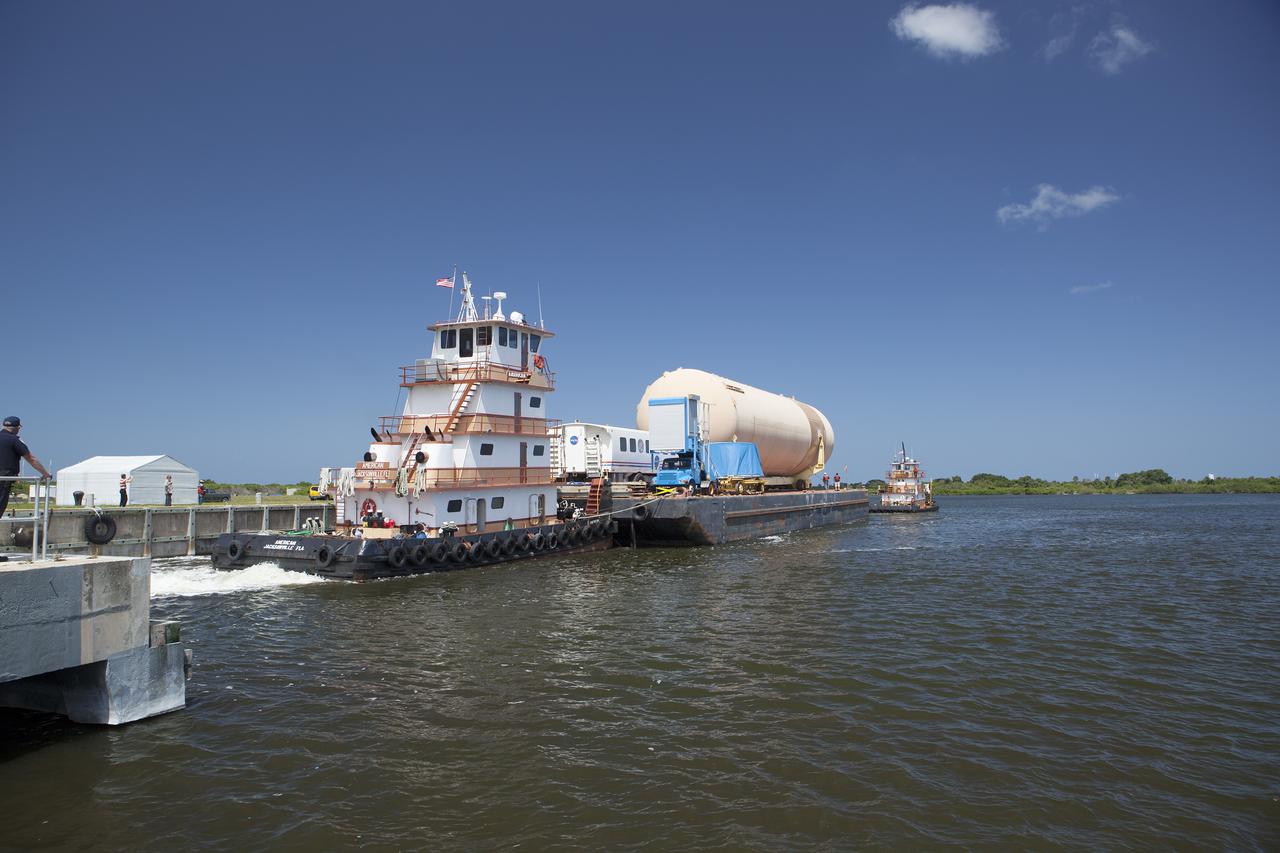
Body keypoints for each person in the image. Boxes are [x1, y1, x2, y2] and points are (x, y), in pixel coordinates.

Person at [1, 416, 51, 518]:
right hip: (3, 479)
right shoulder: (14, 440)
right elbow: (31, 459)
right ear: (17, 427)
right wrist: (45, 474)